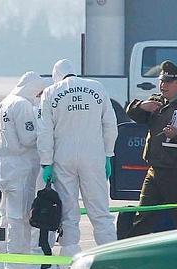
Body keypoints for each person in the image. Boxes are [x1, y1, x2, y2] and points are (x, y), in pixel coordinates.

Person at [37, 59, 118, 257]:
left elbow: (44, 132)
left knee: (69, 213)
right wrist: (109, 154)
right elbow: (110, 124)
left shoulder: (50, 93)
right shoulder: (96, 88)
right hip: (93, 156)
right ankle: (109, 259)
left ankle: (69, 261)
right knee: (100, 211)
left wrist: (46, 162)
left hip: (63, 157)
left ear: (56, 76)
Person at [124, 60, 177, 237]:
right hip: (155, 171)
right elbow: (133, 113)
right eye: (162, 81)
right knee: (143, 218)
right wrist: (141, 105)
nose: (163, 86)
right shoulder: (156, 103)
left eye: (168, 82)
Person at [0, 71, 46, 269]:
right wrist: (45, 130)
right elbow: (27, 138)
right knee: (20, 221)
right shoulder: (22, 105)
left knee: (7, 218)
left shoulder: (5, 102)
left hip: (6, 169)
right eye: (39, 92)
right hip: (21, 170)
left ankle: (1, 266)